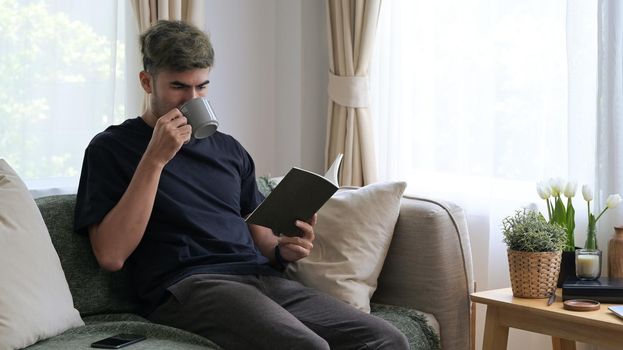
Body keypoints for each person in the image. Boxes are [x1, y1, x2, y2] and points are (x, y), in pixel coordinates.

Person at [74, 20, 408, 350]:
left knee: (386, 339)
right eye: (178, 86)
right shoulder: (111, 148)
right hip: (191, 286)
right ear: (147, 82)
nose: (192, 99)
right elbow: (111, 255)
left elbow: (261, 237)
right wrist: (155, 159)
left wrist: (283, 250)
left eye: (201, 87)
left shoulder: (230, 150)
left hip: (261, 280)